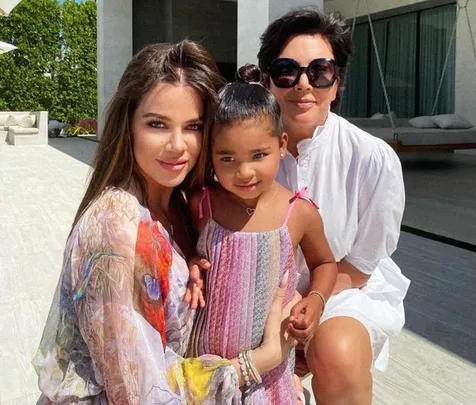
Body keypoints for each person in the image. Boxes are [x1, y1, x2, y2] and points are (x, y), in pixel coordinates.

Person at [32, 41, 299, 405]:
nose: (178, 145)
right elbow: (140, 393)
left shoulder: (182, 203)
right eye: (157, 124)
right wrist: (259, 362)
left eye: (193, 126)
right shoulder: (117, 228)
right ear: (128, 123)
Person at [257, 8, 411, 405]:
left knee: (337, 353)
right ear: (266, 80)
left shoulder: (372, 159)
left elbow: (361, 265)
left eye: (320, 71)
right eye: (287, 71)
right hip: (256, 291)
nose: (303, 85)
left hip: (342, 291)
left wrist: (308, 311)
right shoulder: (239, 154)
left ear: (337, 81)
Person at [186, 65, 337, 404]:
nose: (244, 171)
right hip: (206, 364)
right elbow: (182, 252)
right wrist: (192, 261)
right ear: (211, 156)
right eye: (227, 158)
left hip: (268, 376)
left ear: (281, 145)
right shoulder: (202, 203)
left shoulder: (298, 212)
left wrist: (315, 300)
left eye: (258, 155)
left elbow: (325, 263)